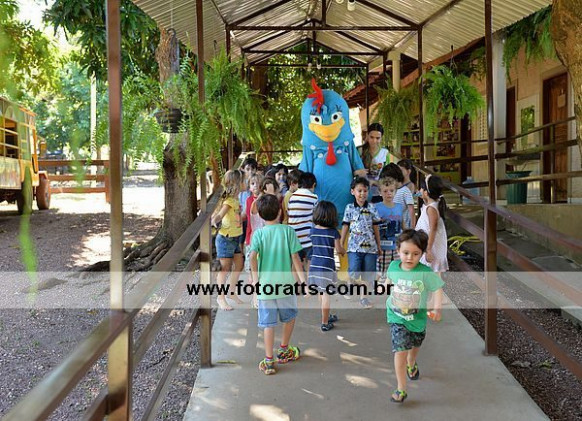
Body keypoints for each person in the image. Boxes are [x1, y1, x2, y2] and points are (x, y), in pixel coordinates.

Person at [249, 194, 306, 375]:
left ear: (260, 215)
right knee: (290, 317)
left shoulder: (258, 234)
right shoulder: (288, 231)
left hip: (265, 287)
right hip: (286, 286)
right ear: (280, 211)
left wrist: (255, 281)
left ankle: (268, 360)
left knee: (268, 324)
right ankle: (284, 349)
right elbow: (295, 258)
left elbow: (252, 257)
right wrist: (303, 281)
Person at [386, 229, 444, 403]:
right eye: (405, 253)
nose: (410, 257)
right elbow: (389, 281)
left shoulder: (425, 272)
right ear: (398, 250)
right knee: (400, 351)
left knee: (415, 345)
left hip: (417, 321)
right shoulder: (393, 266)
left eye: (415, 254)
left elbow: (438, 289)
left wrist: (437, 309)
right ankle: (401, 389)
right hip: (396, 318)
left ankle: (412, 363)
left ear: (422, 254)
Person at [340, 176, 382, 308]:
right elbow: (345, 225)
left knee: (367, 274)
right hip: (354, 247)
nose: (362, 193)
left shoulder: (372, 207)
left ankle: (364, 298)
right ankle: (350, 283)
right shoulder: (349, 208)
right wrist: (341, 243)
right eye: (359, 191)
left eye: (365, 190)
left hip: (370, 247)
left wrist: (379, 245)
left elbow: (376, 227)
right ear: (353, 191)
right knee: (354, 269)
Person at [211, 169, 246, 311]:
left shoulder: (236, 200)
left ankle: (231, 291)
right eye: (243, 180)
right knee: (224, 269)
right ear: (237, 184)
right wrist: (215, 220)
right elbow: (220, 214)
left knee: (239, 265)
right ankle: (220, 298)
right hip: (226, 240)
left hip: (235, 238)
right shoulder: (229, 201)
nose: (246, 183)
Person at [308, 201, 345, 331]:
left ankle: (326, 315)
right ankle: (325, 322)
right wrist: (343, 251)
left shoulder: (312, 231)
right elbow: (339, 249)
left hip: (314, 265)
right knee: (326, 294)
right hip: (327, 266)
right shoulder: (333, 232)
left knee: (321, 291)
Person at [415, 174, 449, 274]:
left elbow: (433, 229)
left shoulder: (431, 209)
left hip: (432, 245)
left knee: (433, 272)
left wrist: (428, 249)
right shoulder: (430, 205)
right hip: (428, 243)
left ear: (426, 192)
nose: (419, 191)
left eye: (421, 188)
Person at [375, 177, 406, 278]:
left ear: (395, 191)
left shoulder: (399, 207)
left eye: (391, 191)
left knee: (397, 270)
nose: (389, 193)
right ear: (380, 192)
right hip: (382, 246)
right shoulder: (376, 207)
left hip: (397, 246)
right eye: (385, 191)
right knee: (381, 273)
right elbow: (373, 227)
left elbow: (403, 224)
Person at [287, 172, 318, 269]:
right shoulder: (314, 197)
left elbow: (289, 213)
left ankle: (296, 279)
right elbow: (316, 217)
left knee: (295, 261)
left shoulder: (292, 197)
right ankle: (309, 278)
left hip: (293, 237)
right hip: (308, 238)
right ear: (313, 185)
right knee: (310, 260)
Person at [380, 163, 416, 229]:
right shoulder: (391, 191)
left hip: (404, 228)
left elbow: (411, 210)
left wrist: (412, 228)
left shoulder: (405, 190)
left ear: (395, 178)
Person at [360, 123, 389, 203]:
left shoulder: (385, 153)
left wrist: (375, 182)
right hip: (361, 193)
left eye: (377, 138)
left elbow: (388, 175)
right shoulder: (359, 151)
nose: (374, 141)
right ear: (367, 135)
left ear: (381, 138)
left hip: (379, 194)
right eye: (371, 137)